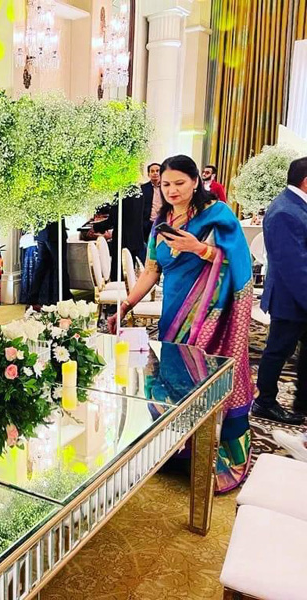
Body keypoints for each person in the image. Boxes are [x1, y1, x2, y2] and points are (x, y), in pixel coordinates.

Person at [109, 155, 254, 493]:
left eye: (179, 183)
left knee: (204, 381)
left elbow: (239, 261)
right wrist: (126, 304)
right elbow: (151, 271)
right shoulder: (161, 222)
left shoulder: (217, 215)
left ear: (195, 182)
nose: (172, 190)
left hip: (212, 316)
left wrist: (200, 249)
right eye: (166, 184)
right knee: (173, 377)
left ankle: (219, 456)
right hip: (174, 312)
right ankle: (180, 453)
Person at [253, 156, 307, 425]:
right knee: (277, 351)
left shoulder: (295, 205)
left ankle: (302, 401)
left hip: (297, 296)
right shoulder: (285, 210)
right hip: (291, 298)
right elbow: (294, 266)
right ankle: (264, 402)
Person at [92, 188, 148, 275]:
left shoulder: (121, 193)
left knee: (119, 270)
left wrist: (96, 227)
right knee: (130, 270)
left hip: (122, 239)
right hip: (136, 238)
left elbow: (113, 220)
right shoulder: (138, 191)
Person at [28, 220, 72, 306]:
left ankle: (32, 299)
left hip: (41, 233)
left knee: (41, 267)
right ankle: (66, 299)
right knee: (61, 266)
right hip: (55, 233)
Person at [141, 162, 163, 241]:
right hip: (148, 223)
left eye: (157, 171)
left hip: (163, 222)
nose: (155, 173)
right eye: (152, 171)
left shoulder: (166, 187)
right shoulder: (143, 188)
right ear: (148, 174)